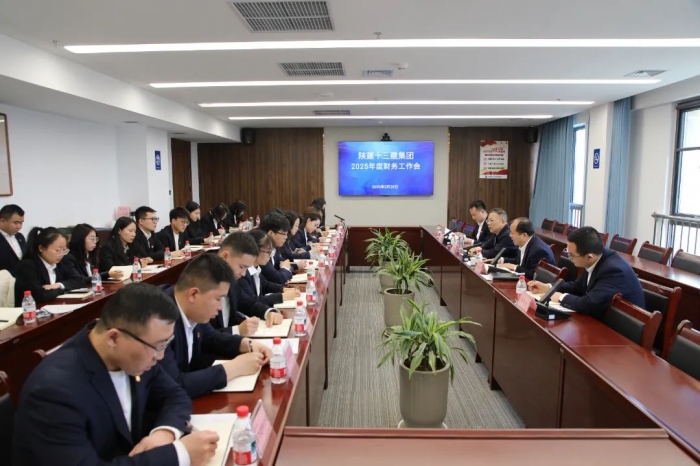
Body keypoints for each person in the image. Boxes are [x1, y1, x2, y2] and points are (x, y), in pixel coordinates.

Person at [12, 283, 219, 466]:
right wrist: (179, 455)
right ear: (113, 338)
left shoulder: (138, 352)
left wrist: (164, 433)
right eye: (158, 346)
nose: (161, 356)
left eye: (166, 343)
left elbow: (175, 395)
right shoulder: (54, 392)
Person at [158, 254, 272, 398]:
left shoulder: (191, 309)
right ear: (193, 294)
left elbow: (211, 337)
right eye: (218, 299)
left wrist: (247, 344)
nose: (220, 307)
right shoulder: (159, 320)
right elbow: (174, 385)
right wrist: (234, 368)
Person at [528, 226, 645, 319]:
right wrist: (549, 288)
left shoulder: (614, 271)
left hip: (619, 333)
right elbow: (578, 286)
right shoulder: (596, 257)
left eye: (572, 255)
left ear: (589, 257)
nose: (569, 258)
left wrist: (561, 297)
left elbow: (590, 304)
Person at [212, 232, 267, 336]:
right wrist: (237, 330)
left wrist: (268, 312)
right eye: (242, 267)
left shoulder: (232, 279)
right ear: (225, 256)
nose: (243, 274)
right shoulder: (204, 283)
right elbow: (205, 337)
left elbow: (247, 303)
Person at [14, 227, 85, 306]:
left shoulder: (62, 262)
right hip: (33, 310)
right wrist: (61, 290)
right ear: (41, 248)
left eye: (64, 250)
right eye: (57, 250)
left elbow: (79, 280)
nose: (61, 254)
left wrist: (58, 285)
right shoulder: (27, 266)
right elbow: (39, 295)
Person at [239, 229, 300, 312]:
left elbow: (265, 285)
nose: (270, 256)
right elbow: (253, 301)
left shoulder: (256, 268)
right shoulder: (242, 274)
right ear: (256, 251)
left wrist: (283, 289)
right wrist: (282, 296)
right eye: (268, 252)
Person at [258, 213, 294, 285]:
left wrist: (284, 271)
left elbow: (287, 264)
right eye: (284, 234)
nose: (286, 237)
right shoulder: (262, 252)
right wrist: (285, 270)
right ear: (271, 233)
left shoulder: (274, 248)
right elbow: (279, 279)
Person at [0, 204, 26, 276]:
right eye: (15, 223)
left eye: (21, 223)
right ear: (2, 221)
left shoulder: (20, 237)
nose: (19, 226)